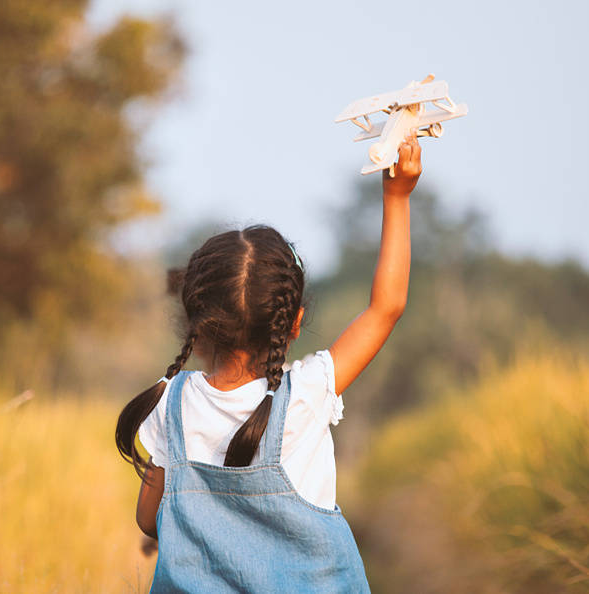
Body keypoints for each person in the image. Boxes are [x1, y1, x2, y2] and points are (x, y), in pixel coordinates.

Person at [115, 128, 422, 592]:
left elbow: (150, 520)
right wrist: (396, 196)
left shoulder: (170, 405)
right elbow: (387, 306)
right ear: (293, 322)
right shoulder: (307, 394)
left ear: (196, 325)